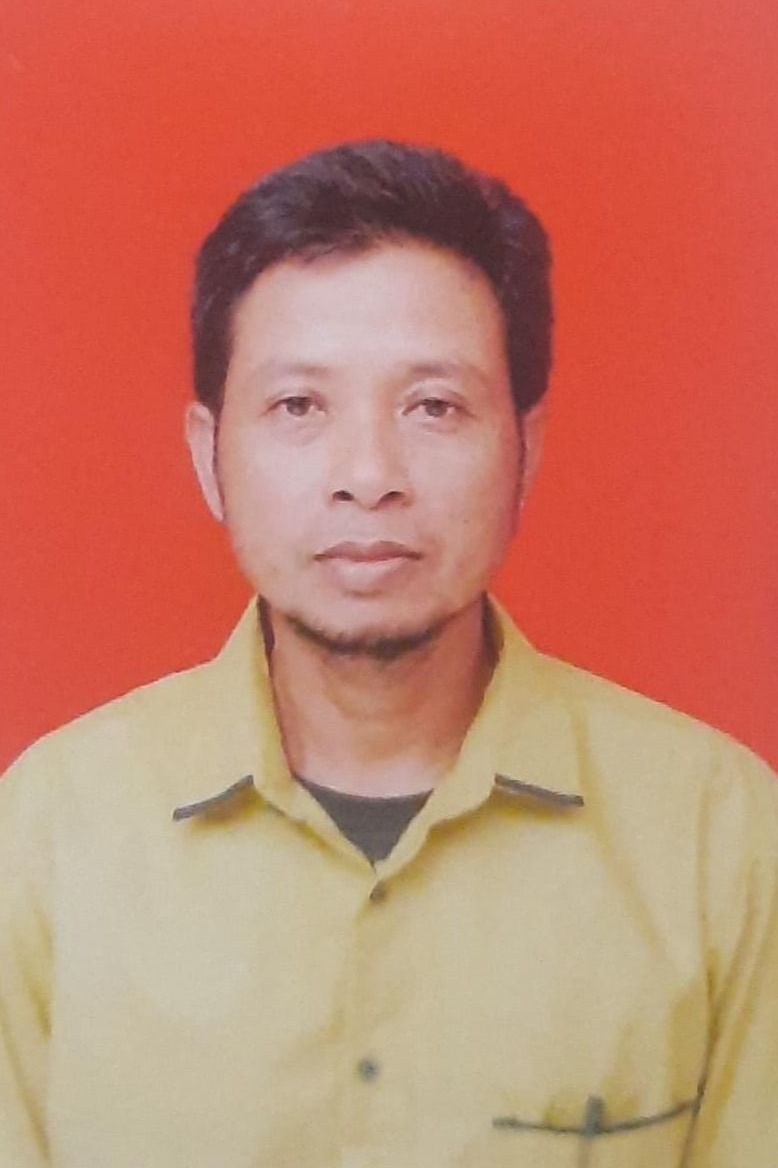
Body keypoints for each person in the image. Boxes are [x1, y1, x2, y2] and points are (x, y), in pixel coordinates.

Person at [1, 140, 776, 1168]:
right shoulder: (49, 832)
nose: (368, 475)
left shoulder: (721, 836)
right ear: (208, 456)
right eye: (298, 407)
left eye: (433, 407)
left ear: (526, 452)